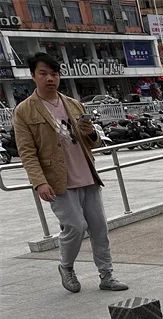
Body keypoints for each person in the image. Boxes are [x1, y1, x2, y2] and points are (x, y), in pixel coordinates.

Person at [13, 53, 128, 293]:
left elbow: (92, 142)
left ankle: (107, 275)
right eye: (43, 74)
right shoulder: (24, 111)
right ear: (33, 76)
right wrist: (39, 183)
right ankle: (66, 267)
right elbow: (27, 152)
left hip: (86, 175)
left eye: (54, 74)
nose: (49, 79)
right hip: (59, 181)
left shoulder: (73, 104)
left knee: (99, 228)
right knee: (75, 226)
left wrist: (90, 133)